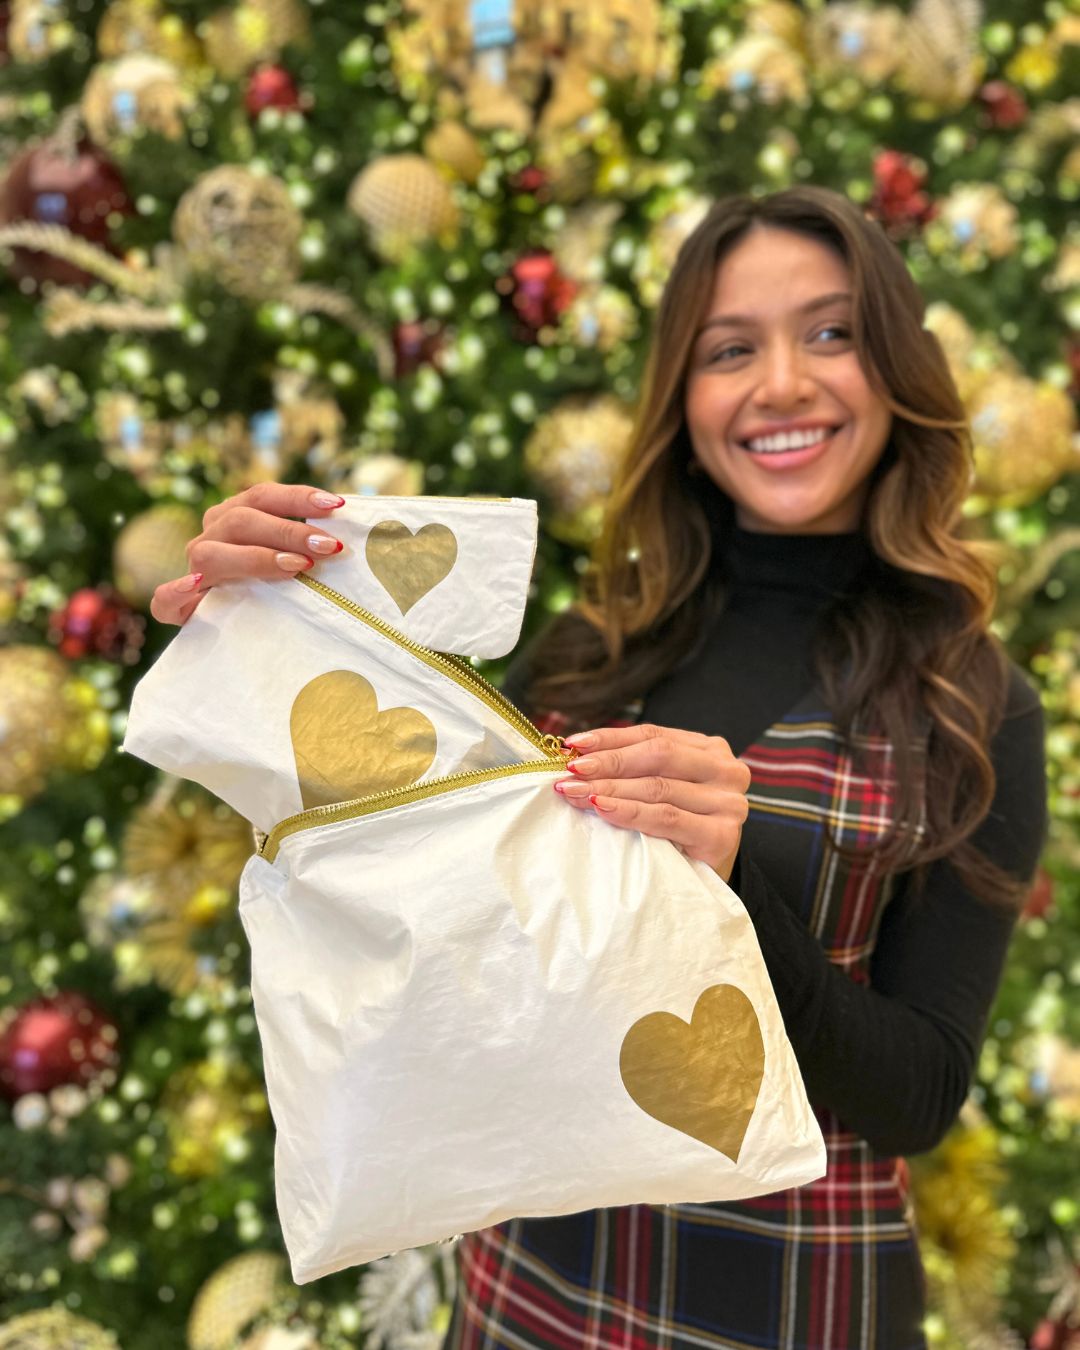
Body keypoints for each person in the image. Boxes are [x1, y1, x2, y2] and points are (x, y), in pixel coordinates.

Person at [152, 186, 1047, 1350]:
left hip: (786, 1307)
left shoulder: (973, 708)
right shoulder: (594, 647)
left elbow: (917, 1096)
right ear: (686, 394)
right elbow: (414, 908)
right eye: (732, 349)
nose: (781, 383)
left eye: (830, 332)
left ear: (897, 369)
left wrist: (731, 882)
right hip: (530, 1296)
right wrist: (262, 630)